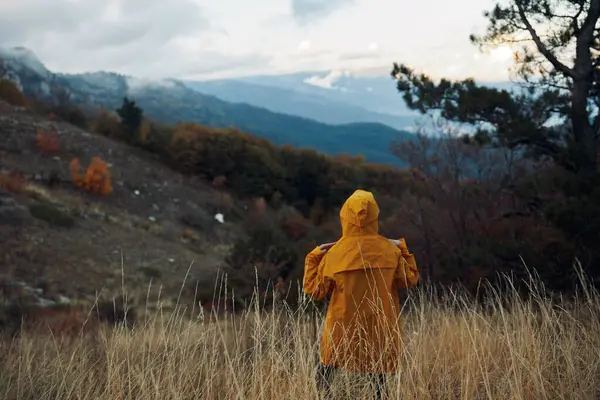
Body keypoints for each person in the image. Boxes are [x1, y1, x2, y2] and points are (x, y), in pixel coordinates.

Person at [303, 189, 419, 399]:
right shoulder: (390, 251)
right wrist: (402, 249)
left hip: (341, 329)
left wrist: (313, 258)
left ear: (345, 216)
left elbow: (314, 291)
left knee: (324, 380)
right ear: (374, 216)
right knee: (379, 386)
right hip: (379, 328)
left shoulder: (335, 253)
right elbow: (410, 279)